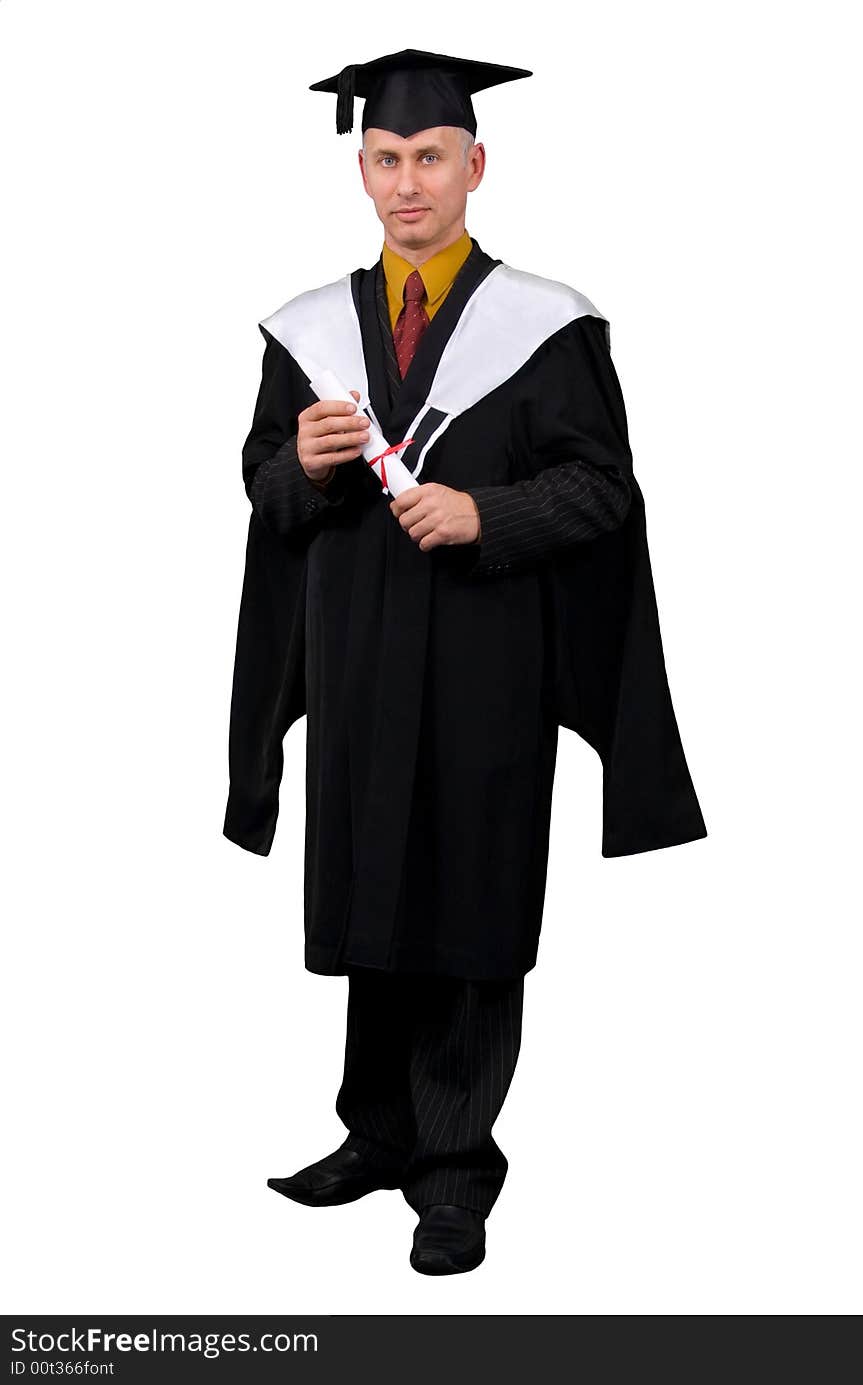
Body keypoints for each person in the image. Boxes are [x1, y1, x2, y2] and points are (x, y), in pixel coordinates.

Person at [223, 48, 707, 1275]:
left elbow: (603, 489)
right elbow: (261, 489)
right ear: (361, 168)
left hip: (486, 667)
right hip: (357, 662)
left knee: (469, 900)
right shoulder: (313, 332)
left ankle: (454, 1165)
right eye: (384, 159)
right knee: (370, 889)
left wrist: (488, 516)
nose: (405, 183)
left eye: (428, 158)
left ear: (474, 166)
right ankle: (374, 1130)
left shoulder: (542, 327)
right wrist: (307, 466)